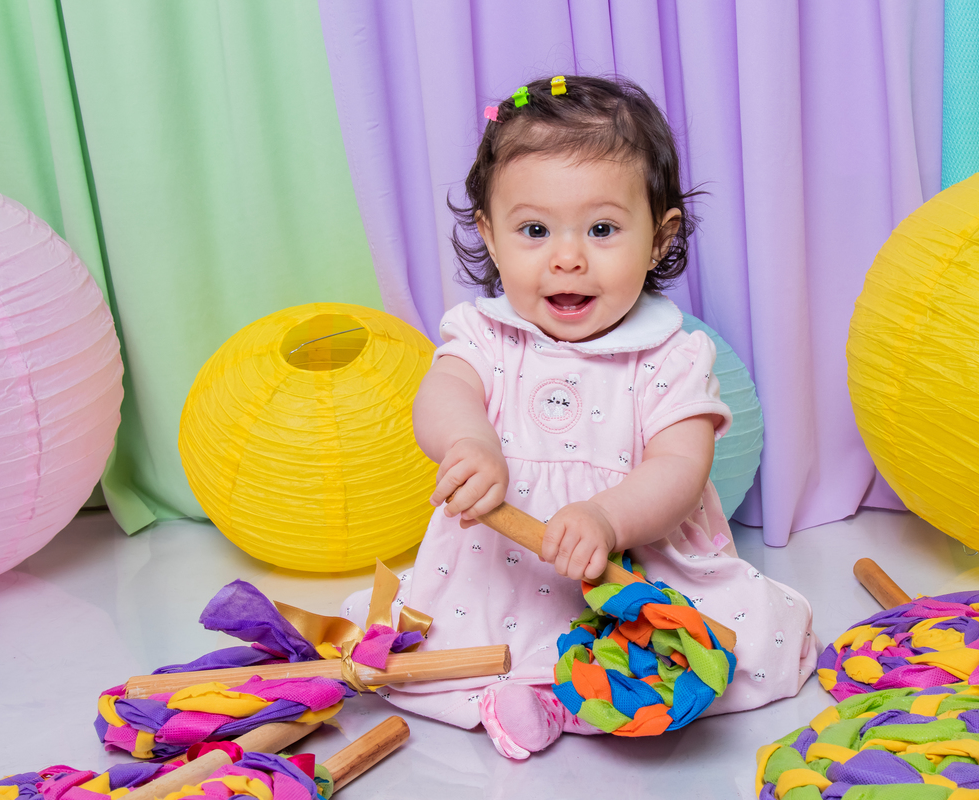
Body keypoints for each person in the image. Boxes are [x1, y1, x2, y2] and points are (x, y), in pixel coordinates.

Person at [341, 74, 818, 759]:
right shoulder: (486, 336)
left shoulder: (671, 354)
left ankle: (585, 695)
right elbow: (443, 394)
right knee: (446, 644)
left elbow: (682, 466)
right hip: (498, 567)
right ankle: (537, 694)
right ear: (491, 236)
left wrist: (608, 518)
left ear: (659, 239)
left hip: (635, 565)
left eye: (602, 229)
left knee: (739, 645)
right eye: (534, 230)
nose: (567, 258)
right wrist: (469, 441)